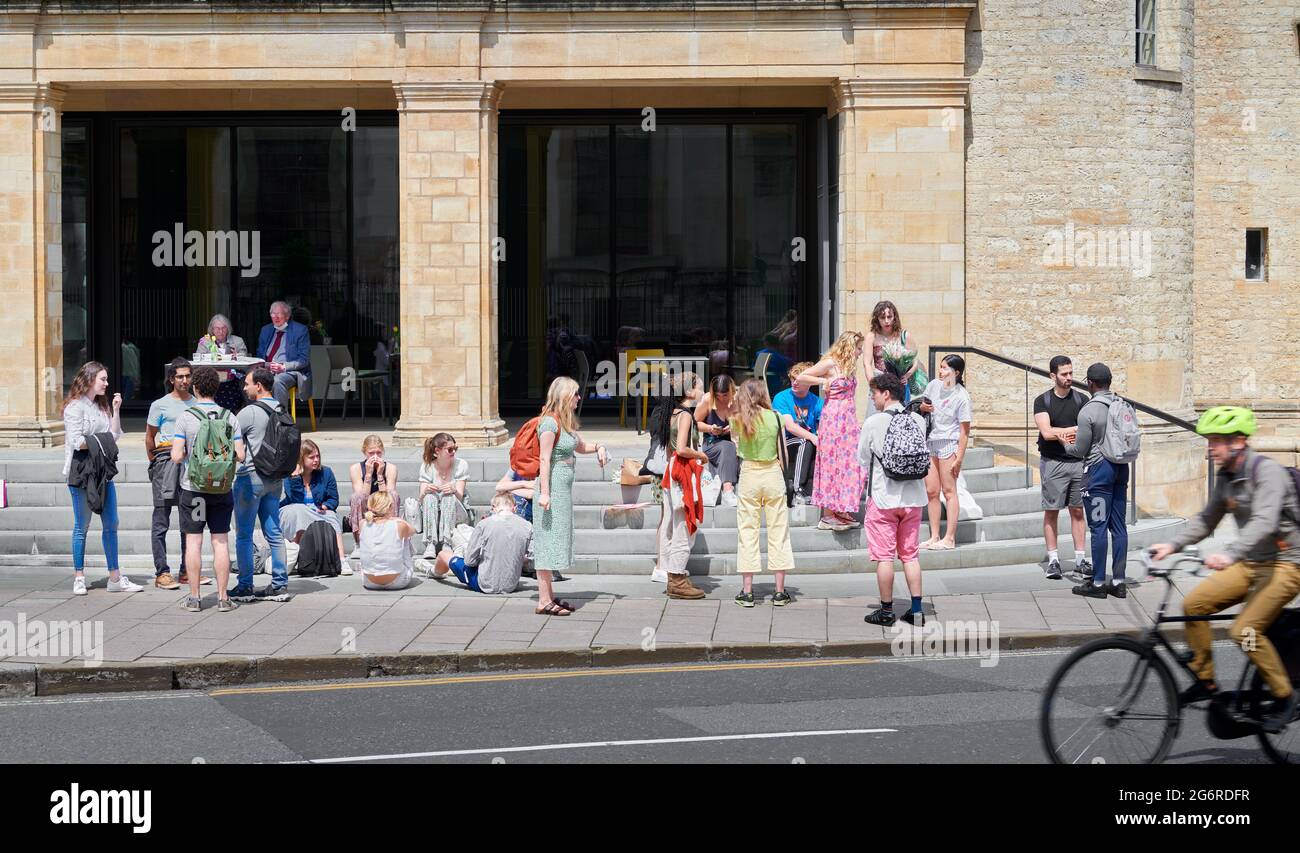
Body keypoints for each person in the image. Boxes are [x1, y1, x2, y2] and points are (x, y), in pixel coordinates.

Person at [1150, 406, 1300, 731]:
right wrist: (1172, 545)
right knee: (1194, 606)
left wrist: (1229, 554)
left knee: (1244, 631)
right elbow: (1207, 519)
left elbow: (1264, 521)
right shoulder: (1228, 476)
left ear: (1240, 441)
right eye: (1210, 440)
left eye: (1216, 440)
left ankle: (1284, 695)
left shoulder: (1267, 473)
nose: (1210, 447)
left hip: (1287, 565)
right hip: (1252, 563)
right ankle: (1206, 681)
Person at [170, 365, 245, 612]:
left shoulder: (186, 417)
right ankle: (224, 598)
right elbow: (241, 455)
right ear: (217, 388)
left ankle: (194, 597)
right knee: (220, 541)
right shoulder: (230, 417)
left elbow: (177, 456)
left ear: (195, 387)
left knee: (193, 542)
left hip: (194, 489)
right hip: (222, 489)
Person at [63, 361, 140, 596]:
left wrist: (116, 410)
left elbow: (114, 436)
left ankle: (115, 577)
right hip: (81, 472)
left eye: (106, 379)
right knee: (81, 526)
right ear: (89, 380)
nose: (107, 384)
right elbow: (78, 442)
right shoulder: (74, 408)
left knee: (111, 523)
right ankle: (79, 576)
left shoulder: (102, 406)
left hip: (103, 471)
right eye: (103, 379)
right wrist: (103, 440)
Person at [858, 372, 929, 626]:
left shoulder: (873, 422)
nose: (873, 398)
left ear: (886, 393)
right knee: (910, 556)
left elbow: (862, 459)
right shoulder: (918, 421)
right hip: (913, 498)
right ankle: (917, 611)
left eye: (874, 393)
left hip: (884, 497)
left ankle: (887, 612)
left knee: (885, 557)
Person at [534, 376, 609, 615]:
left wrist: (599, 447)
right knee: (547, 541)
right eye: (575, 394)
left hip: (562, 490)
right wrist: (545, 494)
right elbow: (544, 459)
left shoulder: (565, 422)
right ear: (565, 396)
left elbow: (580, 446)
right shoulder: (549, 423)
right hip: (552, 489)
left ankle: (550, 597)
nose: (579, 398)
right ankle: (543, 600)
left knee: (556, 540)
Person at [1062, 363, 1130, 599]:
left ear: (1090, 383)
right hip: (1121, 468)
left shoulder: (1088, 411)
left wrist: (1065, 444)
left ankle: (1099, 583)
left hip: (1099, 471)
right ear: (1109, 381)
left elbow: (1080, 450)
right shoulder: (1122, 404)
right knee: (1119, 526)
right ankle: (1119, 581)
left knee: (1099, 527)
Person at [731, 378, 795, 607]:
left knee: (747, 532)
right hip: (772, 474)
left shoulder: (737, 419)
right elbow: (783, 451)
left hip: (749, 473)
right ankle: (779, 592)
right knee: (779, 531)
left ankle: (747, 592)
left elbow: (737, 446)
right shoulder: (776, 417)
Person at [229, 368, 290, 603]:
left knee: (243, 534)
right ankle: (280, 585)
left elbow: (230, 437)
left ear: (259, 386)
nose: (245, 388)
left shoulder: (249, 412)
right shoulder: (282, 409)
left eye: (247, 384)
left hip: (250, 478)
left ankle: (245, 585)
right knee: (274, 532)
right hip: (275, 479)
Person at [799, 330, 868, 531]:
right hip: (833, 419)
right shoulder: (830, 362)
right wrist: (823, 382)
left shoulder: (849, 367)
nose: (860, 352)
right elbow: (801, 377)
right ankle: (828, 514)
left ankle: (842, 508)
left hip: (847, 420)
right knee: (832, 462)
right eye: (858, 348)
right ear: (848, 347)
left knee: (850, 464)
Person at [1033, 356, 1091, 580]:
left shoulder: (1081, 400)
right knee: (1052, 511)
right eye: (1064, 374)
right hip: (1053, 463)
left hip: (1077, 463)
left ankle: (1079, 560)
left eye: (1070, 373)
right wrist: (1070, 431)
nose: (1069, 378)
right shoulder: (1043, 401)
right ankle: (1054, 560)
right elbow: (1046, 433)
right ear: (1052, 376)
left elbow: (1086, 431)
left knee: (1078, 511)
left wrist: (1063, 431)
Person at [652, 372, 708, 599]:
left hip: (671, 470)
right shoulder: (685, 415)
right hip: (682, 471)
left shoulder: (672, 413)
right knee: (684, 526)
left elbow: (670, 450)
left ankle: (669, 572)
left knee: (672, 524)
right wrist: (701, 455)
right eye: (700, 388)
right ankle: (676, 578)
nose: (703, 392)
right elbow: (683, 448)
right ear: (689, 391)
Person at [145, 358, 193, 590]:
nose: (185, 380)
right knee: (161, 519)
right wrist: (154, 462)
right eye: (180, 376)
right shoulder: (159, 405)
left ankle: (186, 570)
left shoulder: (196, 403)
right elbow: (149, 436)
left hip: (189, 465)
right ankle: (162, 572)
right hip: (165, 461)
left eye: (188, 376)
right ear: (171, 379)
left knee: (189, 521)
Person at [919, 355, 973, 551]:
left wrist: (959, 458)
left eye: (944, 368)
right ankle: (934, 536)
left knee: (949, 492)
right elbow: (922, 405)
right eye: (940, 367)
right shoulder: (933, 385)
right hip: (930, 441)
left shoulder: (962, 397)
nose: (940, 371)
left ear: (956, 373)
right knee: (931, 491)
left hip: (949, 443)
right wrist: (923, 407)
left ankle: (949, 538)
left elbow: (964, 432)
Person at [434, 493, 534, 594]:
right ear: (515, 508)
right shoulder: (527, 526)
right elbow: (532, 560)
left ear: (494, 508)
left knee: (444, 555)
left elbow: (470, 561)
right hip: (511, 585)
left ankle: (435, 572)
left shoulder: (484, 524)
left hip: (484, 583)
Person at [280, 439, 349, 569]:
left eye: (317, 456)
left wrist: (325, 506)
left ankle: (341, 559)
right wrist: (295, 479)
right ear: (301, 458)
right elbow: (295, 500)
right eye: (311, 457)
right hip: (295, 510)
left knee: (331, 516)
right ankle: (295, 555)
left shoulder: (326, 472)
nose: (316, 460)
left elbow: (334, 499)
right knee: (298, 510)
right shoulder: (290, 474)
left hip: (317, 511)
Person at [772, 361, 823, 506]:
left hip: (808, 444)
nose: (794, 383)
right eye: (793, 379)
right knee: (805, 440)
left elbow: (823, 426)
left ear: (809, 382)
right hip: (786, 442)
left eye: (799, 381)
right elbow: (790, 427)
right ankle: (797, 490)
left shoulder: (817, 401)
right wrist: (813, 437)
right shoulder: (781, 397)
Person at [418, 432, 470, 558]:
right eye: (450, 449)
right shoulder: (428, 466)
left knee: (448, 496)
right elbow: (421, 499)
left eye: (455, 449)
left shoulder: (461, 465)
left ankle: (447, 542)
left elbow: (460, 496)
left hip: (456, 510)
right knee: (430, 497)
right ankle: (430, 543)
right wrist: (426, 491)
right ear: (437, 451)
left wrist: (453, 489)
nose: (453, 452)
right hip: (432, 510)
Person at [256, 300, 312, 411]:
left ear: (287, 316)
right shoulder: (266, 330)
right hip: (266, 370)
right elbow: (259, 354)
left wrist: (284, 367)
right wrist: (265, 365)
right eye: (273, 314)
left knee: (277, 381)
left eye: (279, 314)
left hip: (289, 372)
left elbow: (304, 360)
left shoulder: (300, 330)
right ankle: (260, 417)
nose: (275, 317)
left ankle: (281, 420)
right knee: (247, 380)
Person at [348, 434, 399, 555]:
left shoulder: (391, 468)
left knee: (394, 495)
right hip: (365, 509)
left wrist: (380, 475)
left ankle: (391, 540)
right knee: (356, 497)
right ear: (364, 452)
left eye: (379, 453)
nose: (375, 457)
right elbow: (362, 497)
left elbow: (388, 499)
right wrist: (369, 475)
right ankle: (359, 543)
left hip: (384, 507)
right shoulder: (356, 468)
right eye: (371, 453)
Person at [694, 374, 740, 507]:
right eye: (718, 396)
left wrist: (733, 427)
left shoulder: (738, 400)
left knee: (729, 448)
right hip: (711, 443)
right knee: (728, 447)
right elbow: (694, 423)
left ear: (731, 390)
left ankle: (720, 480)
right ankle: (727, 490)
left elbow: (748, 421)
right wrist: (710, 428)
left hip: (734, 443)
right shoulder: (707, 400)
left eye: (725, 395)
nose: (721, 399)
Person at [357, 492, 416, 591]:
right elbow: (413, 531)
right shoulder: (399, 525)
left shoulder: (362, 523)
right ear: (389, 507)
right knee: (405, 538)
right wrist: (398, 519)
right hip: (398, 582)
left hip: (369, 582)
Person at [873, 300, 927, 405]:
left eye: (889, 317)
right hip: (883, 384)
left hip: (902, 384)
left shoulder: (904, 335)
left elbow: (914, 360)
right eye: (883, 318)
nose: (887, 321)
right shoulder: (873, 336)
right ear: (877, 319)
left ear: (895, 317)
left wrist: (906, 376)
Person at [754, 333, 794, 399]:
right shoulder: (784, 359)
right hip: (776, 389)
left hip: (760, 389)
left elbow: (756, 373)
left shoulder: (759, 354)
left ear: (766, 342)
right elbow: (786, 375)